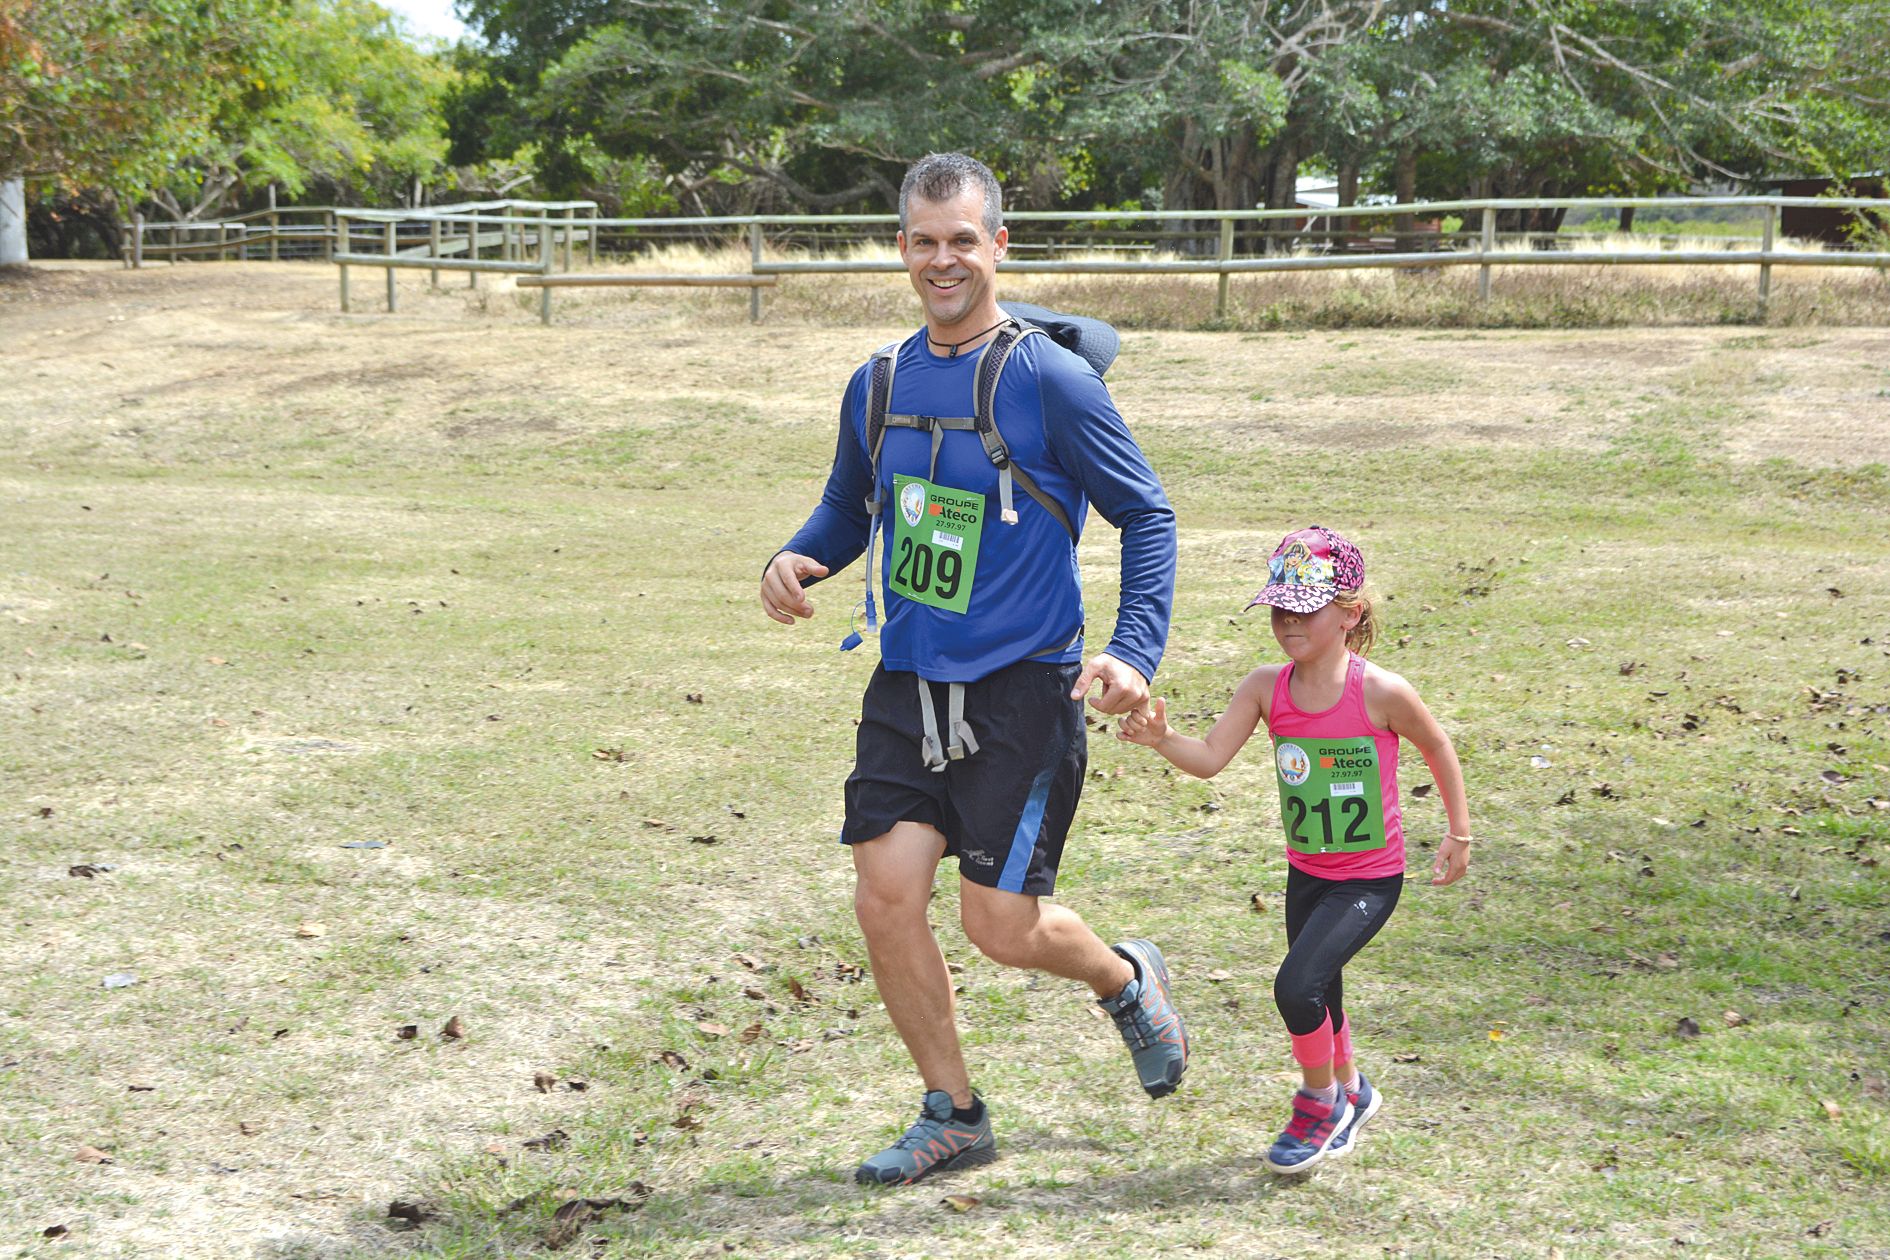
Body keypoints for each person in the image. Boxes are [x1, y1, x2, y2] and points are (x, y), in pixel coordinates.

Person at [759, 152, 1188, 1187]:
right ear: (901, 247)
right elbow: (847, 507)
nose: (941, 259)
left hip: (1022, 690)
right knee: (885, 895)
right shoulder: (881, 381)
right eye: (922, 240)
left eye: (962, 239)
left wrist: (1132, 651)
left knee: (1001, 927)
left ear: (1000, 245)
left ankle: (1125, 978)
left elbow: (1149, 516)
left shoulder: (1052, 380)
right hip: (907, 681)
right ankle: (952, 1113)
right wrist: (794, 554)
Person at [1116, 525, 1471, 1175]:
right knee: (1322, 992)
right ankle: (1354, 1093)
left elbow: (1438, 746)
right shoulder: (1264, 688)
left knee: (1296, 987)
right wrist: (1163, 740)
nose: (1288, 622)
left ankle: (1319, 1102)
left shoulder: (1382, 692)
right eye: (1280, 608)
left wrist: (1459, 831)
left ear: (1349, 613)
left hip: (1369, 880)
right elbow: (1211, 758)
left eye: (1304, 608)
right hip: (1306, 873)